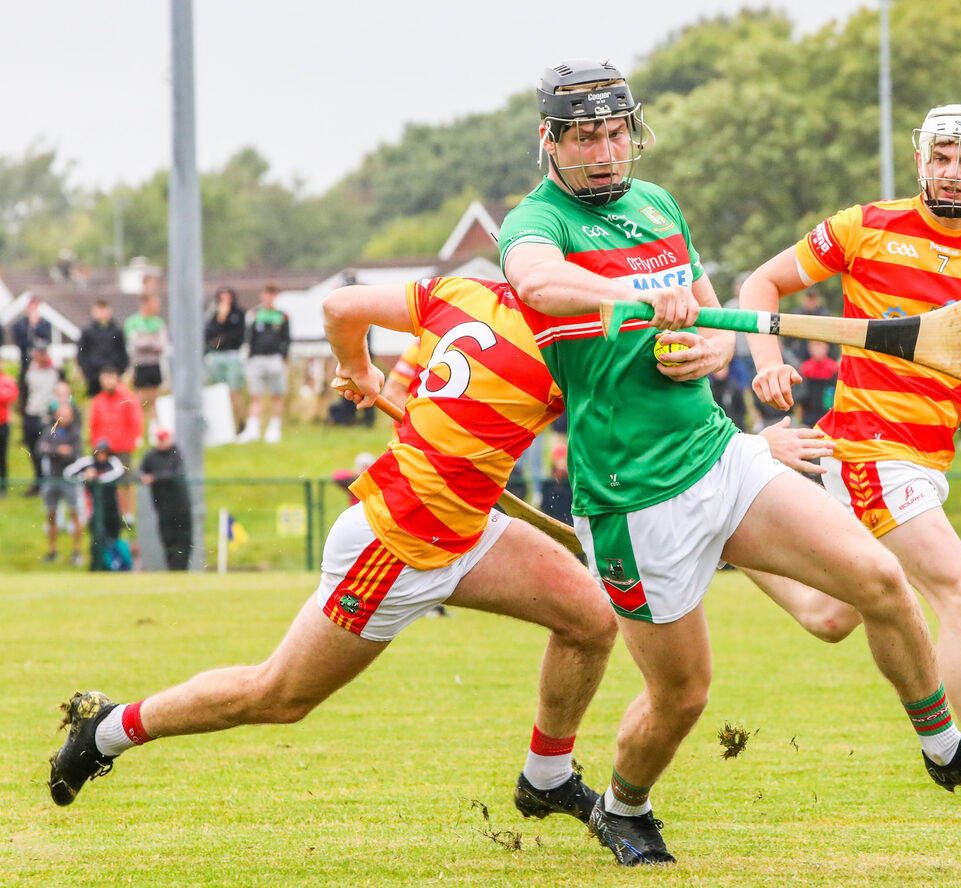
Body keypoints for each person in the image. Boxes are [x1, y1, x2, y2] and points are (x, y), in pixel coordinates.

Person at [501, 66, 961, 865]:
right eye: (585, 136)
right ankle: (623, 807)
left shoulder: (656, 203)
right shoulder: (537, 221)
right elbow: (536, 282)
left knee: (880, 582)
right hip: (634, 491)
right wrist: (626, 298)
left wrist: (711, 347)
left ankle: (948, 753)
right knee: (681, 696)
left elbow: (719, 316)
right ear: (551, 142)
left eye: (617, 132)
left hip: (719, 451)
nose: (606, 151)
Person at [48, 277, 619, 853]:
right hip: (392, 545)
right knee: (276, 695)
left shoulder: (471, 293)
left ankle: (546, 778)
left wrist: (359, 366)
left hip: (468, 527)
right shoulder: (566, 344)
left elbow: (340, 306)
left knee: (590, 619)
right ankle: (110, 729)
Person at [737, 103, 961, 824]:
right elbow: (760, 286)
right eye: (943, 157)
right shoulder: (865, 226)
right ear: (921, 160)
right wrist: (768, 365)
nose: (954, 171)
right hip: (872, 449)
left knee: (830, 615)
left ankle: (730, 537)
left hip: (927, 454)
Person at [88, 366, 145, 526]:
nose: (108, 382)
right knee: (105, 481)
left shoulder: (127, 398)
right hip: (104, 449)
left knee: (126, 482)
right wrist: (95, 446)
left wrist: (130, 443)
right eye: (105, 378)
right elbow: (94, 424)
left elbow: (135, 422)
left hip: (123, 447)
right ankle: (110, 512)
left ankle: (128, 514)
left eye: (110, 377)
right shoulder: (98, 400)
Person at [63, 439, 128, 571]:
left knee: (113, 537)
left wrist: (96, 478)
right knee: (96, 538)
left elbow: (118, 472)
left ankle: (114, 566)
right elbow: (68, 473)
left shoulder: (113, 462)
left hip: (112, 507)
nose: (101, 456)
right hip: (94, 508)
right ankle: (97, 566)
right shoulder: (87, 462)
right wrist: (84, 477)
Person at [238, 284, 291, 444]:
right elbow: (248, 337)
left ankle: (274, 428)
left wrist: (282, 356)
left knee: (277, 394)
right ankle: (253, 428)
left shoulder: (282, 316)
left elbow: (286, 339)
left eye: (272, 295)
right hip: (257, 359)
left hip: (274, 358)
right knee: (256, 395)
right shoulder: (255, 314)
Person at [37, 401, 85, 565]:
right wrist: (58, 450)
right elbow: (40, 449)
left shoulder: (75, 433)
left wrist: (53, 450)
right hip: (52, 479)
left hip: (70, 479)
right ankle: (51, 552)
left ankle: (76, 552)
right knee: (51, 515)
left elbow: (74, 454)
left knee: (75, 514)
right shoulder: (49, 431)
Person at [139, 428, 193, 571]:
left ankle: (182, 568)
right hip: (162, 506)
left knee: (183, 538)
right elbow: (142, 472)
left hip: (180, 506)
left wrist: (155, 478)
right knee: (167, 538)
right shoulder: (151, 456)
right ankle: (172, 567)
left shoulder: (176, 453)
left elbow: (174, 473)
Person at [124, 290, 169, 429]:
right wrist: (151, 340)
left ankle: (155, 429)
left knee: (154, 399)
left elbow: (161, 345)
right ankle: (138, 430)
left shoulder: (158, 322)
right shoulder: (132, 322)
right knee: (139, 399)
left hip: (154, 364)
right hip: (139, 365)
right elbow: (135, 344)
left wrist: (145, 339)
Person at [22, 339, 61, 496]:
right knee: (33, 450)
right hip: (31, 414)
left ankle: (50, 482)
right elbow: (24, 392)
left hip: (47, 417)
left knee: (47, 449)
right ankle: (38, 480)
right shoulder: (28, 371)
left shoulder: (55, 371)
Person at [204, 286, 247, 422]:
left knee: (234, 391)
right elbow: (209, 335)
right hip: (217, 356)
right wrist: (221, 318)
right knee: (218, 391)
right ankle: (224, 423)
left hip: (232, 355)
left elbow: (237, 336)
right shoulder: (214, 314)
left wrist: (222, 338)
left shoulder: (239, 314)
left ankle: (240, 422)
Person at [76, 299, 129, 398]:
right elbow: (82, 354)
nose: (102, 313)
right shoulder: (87, 332)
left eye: (104, 310)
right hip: (94, 376)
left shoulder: (117, 331)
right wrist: (88, 372)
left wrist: (119, 372)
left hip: (113, 375)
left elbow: (123, 353)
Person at [11, 295, 53, 410]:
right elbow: (20, 342)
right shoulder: (20, 324)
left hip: (41, 364)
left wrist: (35, 327)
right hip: (26, 361)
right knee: (25, 388)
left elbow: (46, 341)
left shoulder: (45, 324)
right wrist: (31, 327)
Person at [0, 366, 16, 496]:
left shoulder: (6, 380)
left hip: (2, 423)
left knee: (2, 455)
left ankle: (3, 486)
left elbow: (10, 396)